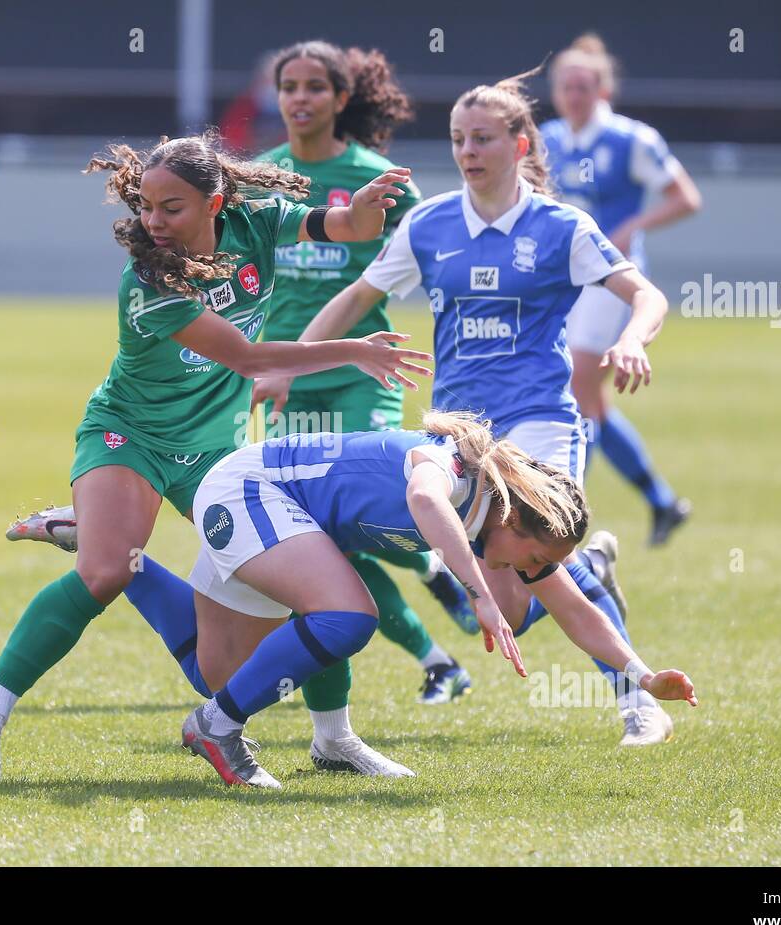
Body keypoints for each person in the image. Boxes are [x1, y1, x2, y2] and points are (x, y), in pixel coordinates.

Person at [0, 131, 431, 782]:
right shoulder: (146, 281)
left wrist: (365, 214)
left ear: (216, 202)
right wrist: (354, 349)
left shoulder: (255, 219)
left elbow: (339, 223)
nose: (153, 222)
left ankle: (334, 740)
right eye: (145, 206)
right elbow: (249, 358)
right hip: (131, 435)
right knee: (104, 574)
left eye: (170, 207)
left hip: (219, 448)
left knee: (279, 605)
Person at [265, 67, 678, 745]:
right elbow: (357, 299)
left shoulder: (559, 226)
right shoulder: (428, 225)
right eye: (458, 138)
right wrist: (289, 364)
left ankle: (637, 698)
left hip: (540, 418)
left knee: (541, 564)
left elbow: (646, 295)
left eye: (483, 138)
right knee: (510, 610)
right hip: (460, 432)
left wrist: (632, 338)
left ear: (520, 145)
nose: (467, 151)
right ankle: (591, 565)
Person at [123, 412, 697, 788]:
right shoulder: (455, 470)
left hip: (275, 509)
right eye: (534, 556)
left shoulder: (495, 521)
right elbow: (425, 498)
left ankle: (126, 563)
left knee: (217, 669)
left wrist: (641, 678)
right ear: (514, 515)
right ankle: (217, 727)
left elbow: (577, 610)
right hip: (248, 492)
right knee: (347, 614)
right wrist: (480, 594)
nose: (531, 571)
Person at [254, 40, 480, 741]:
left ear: (341, 99)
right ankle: (438, 659)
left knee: (381, 512)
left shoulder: (381, 179)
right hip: (282, 380)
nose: (299, 99)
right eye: (288, 86)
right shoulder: (262, 177)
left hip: (359, 375)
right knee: (321, 543)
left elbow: (429, 259)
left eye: (314, 87)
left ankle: (434, 563)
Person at [542, 34, 702, 546]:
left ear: (603, 88)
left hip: (612, 280)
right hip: (564, 282)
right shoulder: (547, 138)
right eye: (566, 86)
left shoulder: (632, 140)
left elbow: (686, 197)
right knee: (587, 398)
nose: (574, 95)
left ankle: (565, 511)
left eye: (583, 86)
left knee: (576, 388)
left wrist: (636, 224)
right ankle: (661, 501)